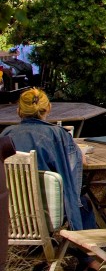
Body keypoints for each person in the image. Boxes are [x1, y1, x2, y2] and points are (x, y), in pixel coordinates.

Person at [1, 90, 95, 232]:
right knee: (83, 203)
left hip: (13, 211)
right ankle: (85, 251)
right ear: (49, 108)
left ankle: (40, 247)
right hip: (49, 211)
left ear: (19, 110)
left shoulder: (6, 135)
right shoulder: (58, 135)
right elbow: (75, 173)